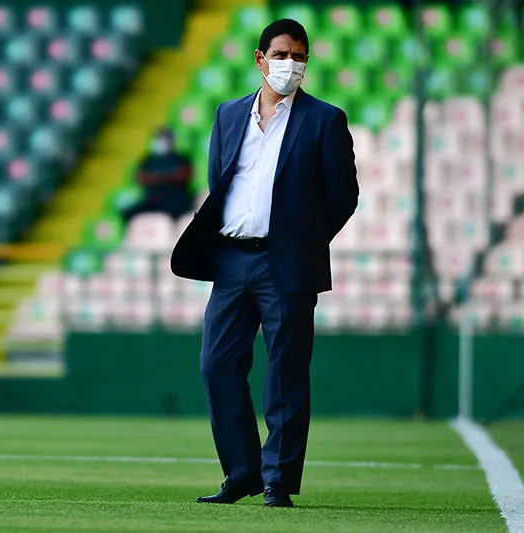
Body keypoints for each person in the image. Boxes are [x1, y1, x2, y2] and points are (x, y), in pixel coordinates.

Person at [171, 19, 358, 507]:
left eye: (299, 55)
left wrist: (302, 242)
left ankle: (278, 479)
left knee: (286, 374)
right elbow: (220, 179)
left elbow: (343, 197)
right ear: (260, 59)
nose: (290, 64)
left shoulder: (325, 120)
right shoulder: (228, 114)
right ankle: (241, 474)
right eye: (280, 54)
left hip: (287, 264)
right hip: (232, 261)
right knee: (217, 365)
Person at [122, 127, 194, 222]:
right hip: (153, 201)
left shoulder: (181, 158)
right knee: (127, 213)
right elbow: (139, 177)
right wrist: (166, 177)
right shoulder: (148, 159)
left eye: (163, 138)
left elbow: (183, 175)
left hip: (177, 200)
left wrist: (156, 178)